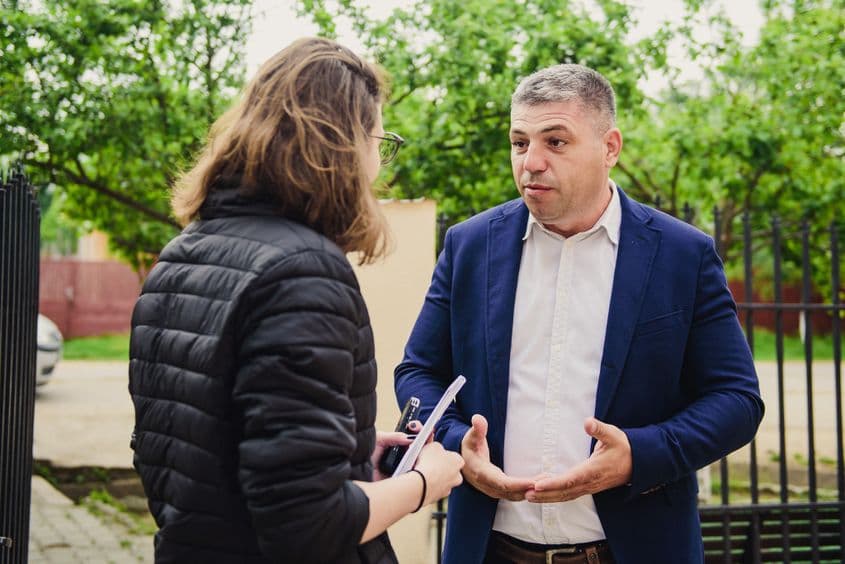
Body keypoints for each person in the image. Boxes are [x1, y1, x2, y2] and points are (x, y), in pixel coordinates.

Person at [395, 64, 764, 564]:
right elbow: (418, 372)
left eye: (556, 142)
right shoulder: (469, 245)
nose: (531, 162)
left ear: (610, 148)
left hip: (634, 550)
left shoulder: (683, 254)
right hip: (488, 550)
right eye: (519, 142)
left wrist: (639, 454)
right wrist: (461, 445)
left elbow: (737, 400)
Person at [128, 37, 464, 564]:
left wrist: (350, 453)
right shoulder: (305, 275)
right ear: (345, 146)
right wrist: (425, 481)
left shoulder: (181, 255)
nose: (380, 160)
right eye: (381, 139)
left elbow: (188, 454)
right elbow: (310, 528)